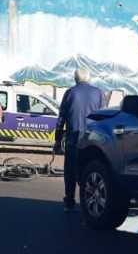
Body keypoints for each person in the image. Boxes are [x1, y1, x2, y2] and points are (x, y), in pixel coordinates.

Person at [54, 67, 103, 212]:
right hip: (93, 141)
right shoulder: (99, 93)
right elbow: (102, 116)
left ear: (75, 78)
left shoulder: (70, 93)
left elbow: (61, 118)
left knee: (70, 172)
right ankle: (87, 204)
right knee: (89, 172)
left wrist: (57, 139)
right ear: (89, 78)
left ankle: (69, 202)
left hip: (73, 140)